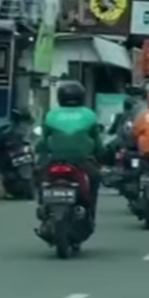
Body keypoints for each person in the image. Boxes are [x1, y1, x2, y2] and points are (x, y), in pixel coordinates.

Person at [36, 80, 104, 223]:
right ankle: (90, 212)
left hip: (55, 159)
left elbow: (43, 140)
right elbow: (97, 142)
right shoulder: (89, 115)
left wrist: (41, 153)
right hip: (81, 161)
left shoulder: (51, 115)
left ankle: (42, 204)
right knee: (95, 178)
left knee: (39, 176)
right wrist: (102, 154)